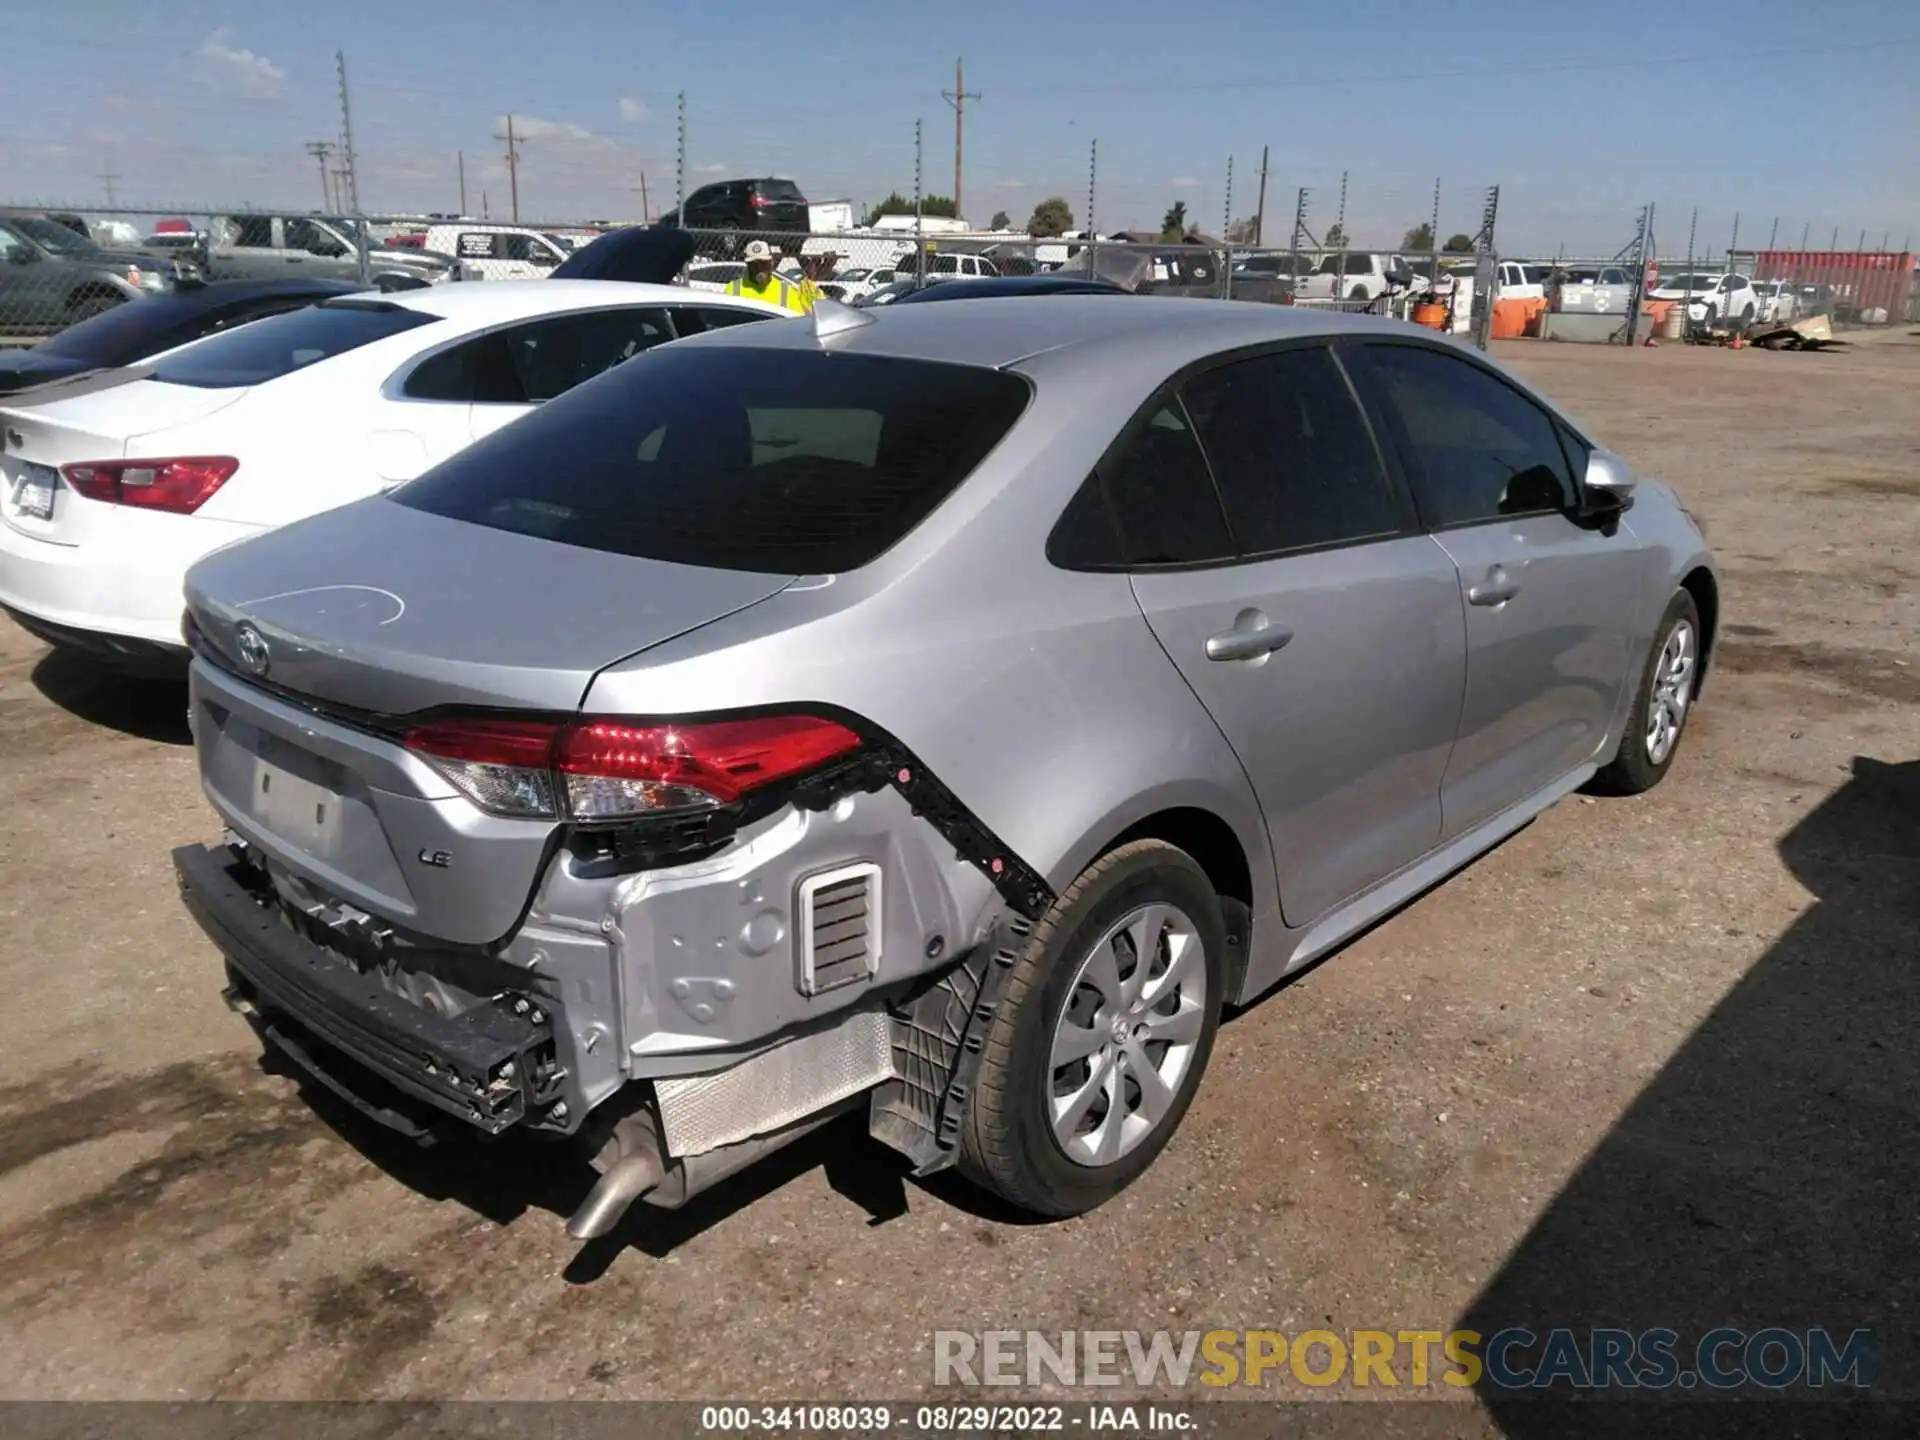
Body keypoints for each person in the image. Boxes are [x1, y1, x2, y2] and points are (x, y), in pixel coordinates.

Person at [724, 240, 811, 312]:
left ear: (771, 262)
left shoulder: (785, 292)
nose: (759, 268)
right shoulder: (733, 289)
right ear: (748, 265)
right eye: (754, 264)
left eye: (763, 263)